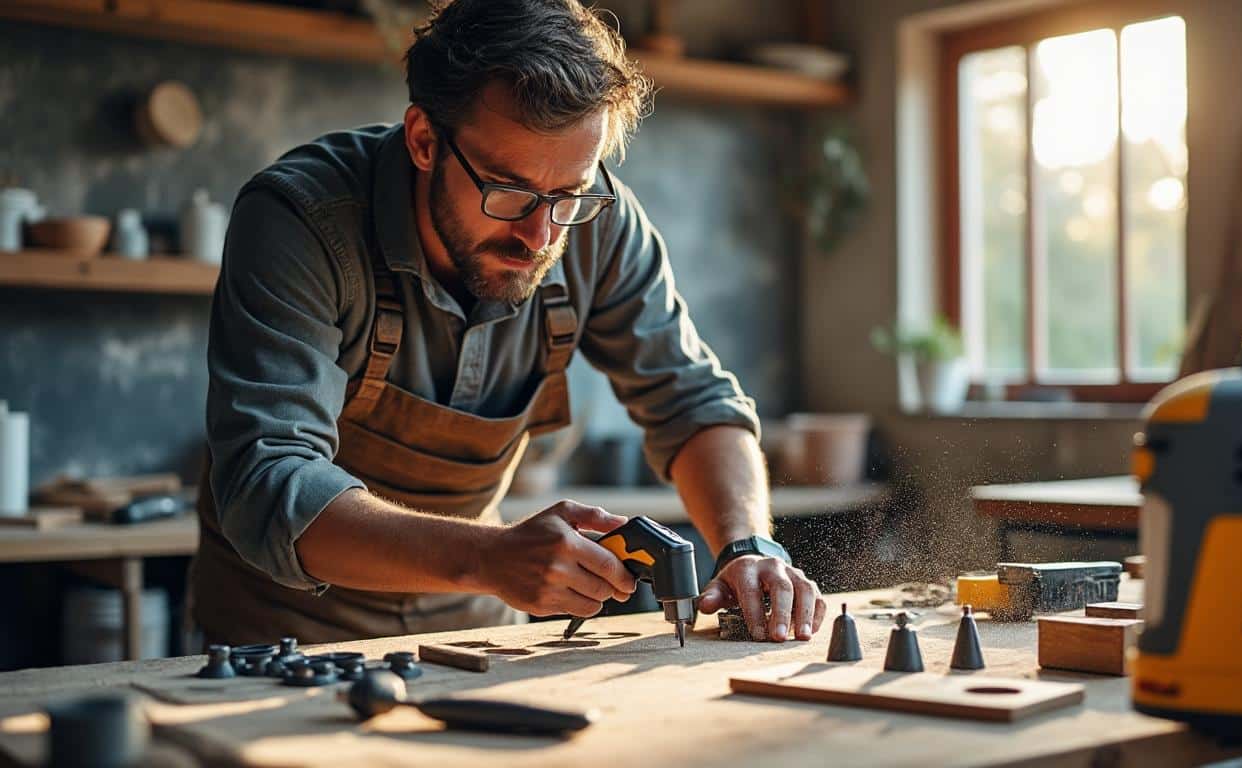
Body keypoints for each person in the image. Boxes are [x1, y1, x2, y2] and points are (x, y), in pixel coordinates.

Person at [191, 0, 824, 646]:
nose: (540, 233)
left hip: (474, 633)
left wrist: (747, 544)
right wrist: (489, 557)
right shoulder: (300, 223)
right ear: (423, 141)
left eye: (568, 196)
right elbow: (269, 483)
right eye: (509, 191)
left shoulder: (599, 227)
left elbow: (693, 403)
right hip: (282, 642)